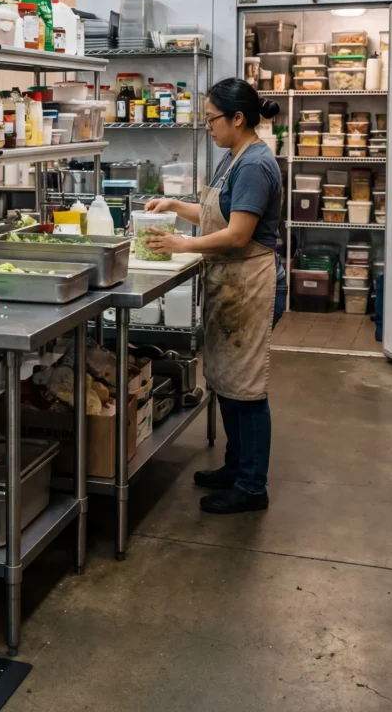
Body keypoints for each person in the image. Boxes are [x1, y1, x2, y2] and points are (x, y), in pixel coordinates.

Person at [145, 77, 284, 514]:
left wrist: (182, 246)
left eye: (211, 119)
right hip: (230, 283)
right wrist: (174, 207)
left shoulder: (255, 165)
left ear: (238, 118)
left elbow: (239, 234)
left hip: (249, 284)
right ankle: (235, 466)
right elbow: (216, 215)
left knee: (248, 389)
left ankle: (251, 486)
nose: (207, 126)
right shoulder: (232, 158)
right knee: (226, 382)